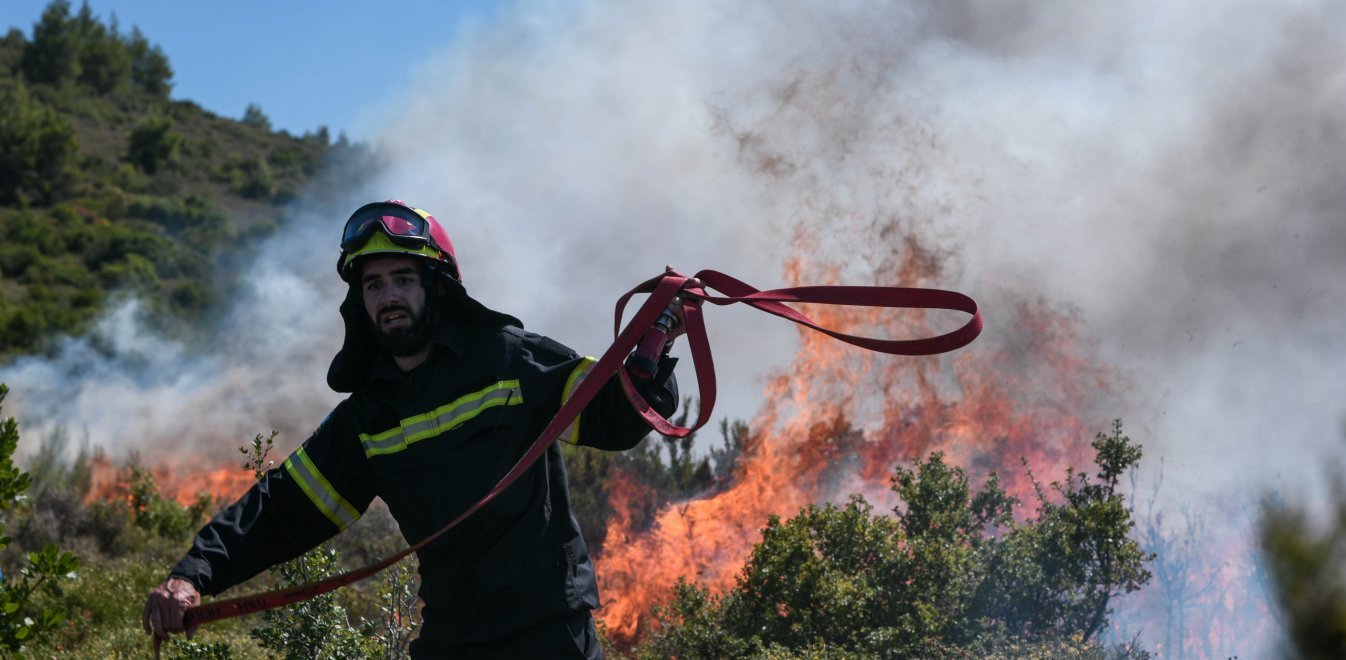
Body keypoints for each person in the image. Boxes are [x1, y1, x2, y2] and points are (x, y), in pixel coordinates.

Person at [142, 200, 682, 658]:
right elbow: (281, 511)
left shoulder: (508, 358)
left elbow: (612, 418)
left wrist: (655, 350)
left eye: (403, 279)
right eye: (374, 285)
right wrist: (193, 575)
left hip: (547, 630)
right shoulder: (368, 418)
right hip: (453, 637)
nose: (388, 296)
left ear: (436, 289)